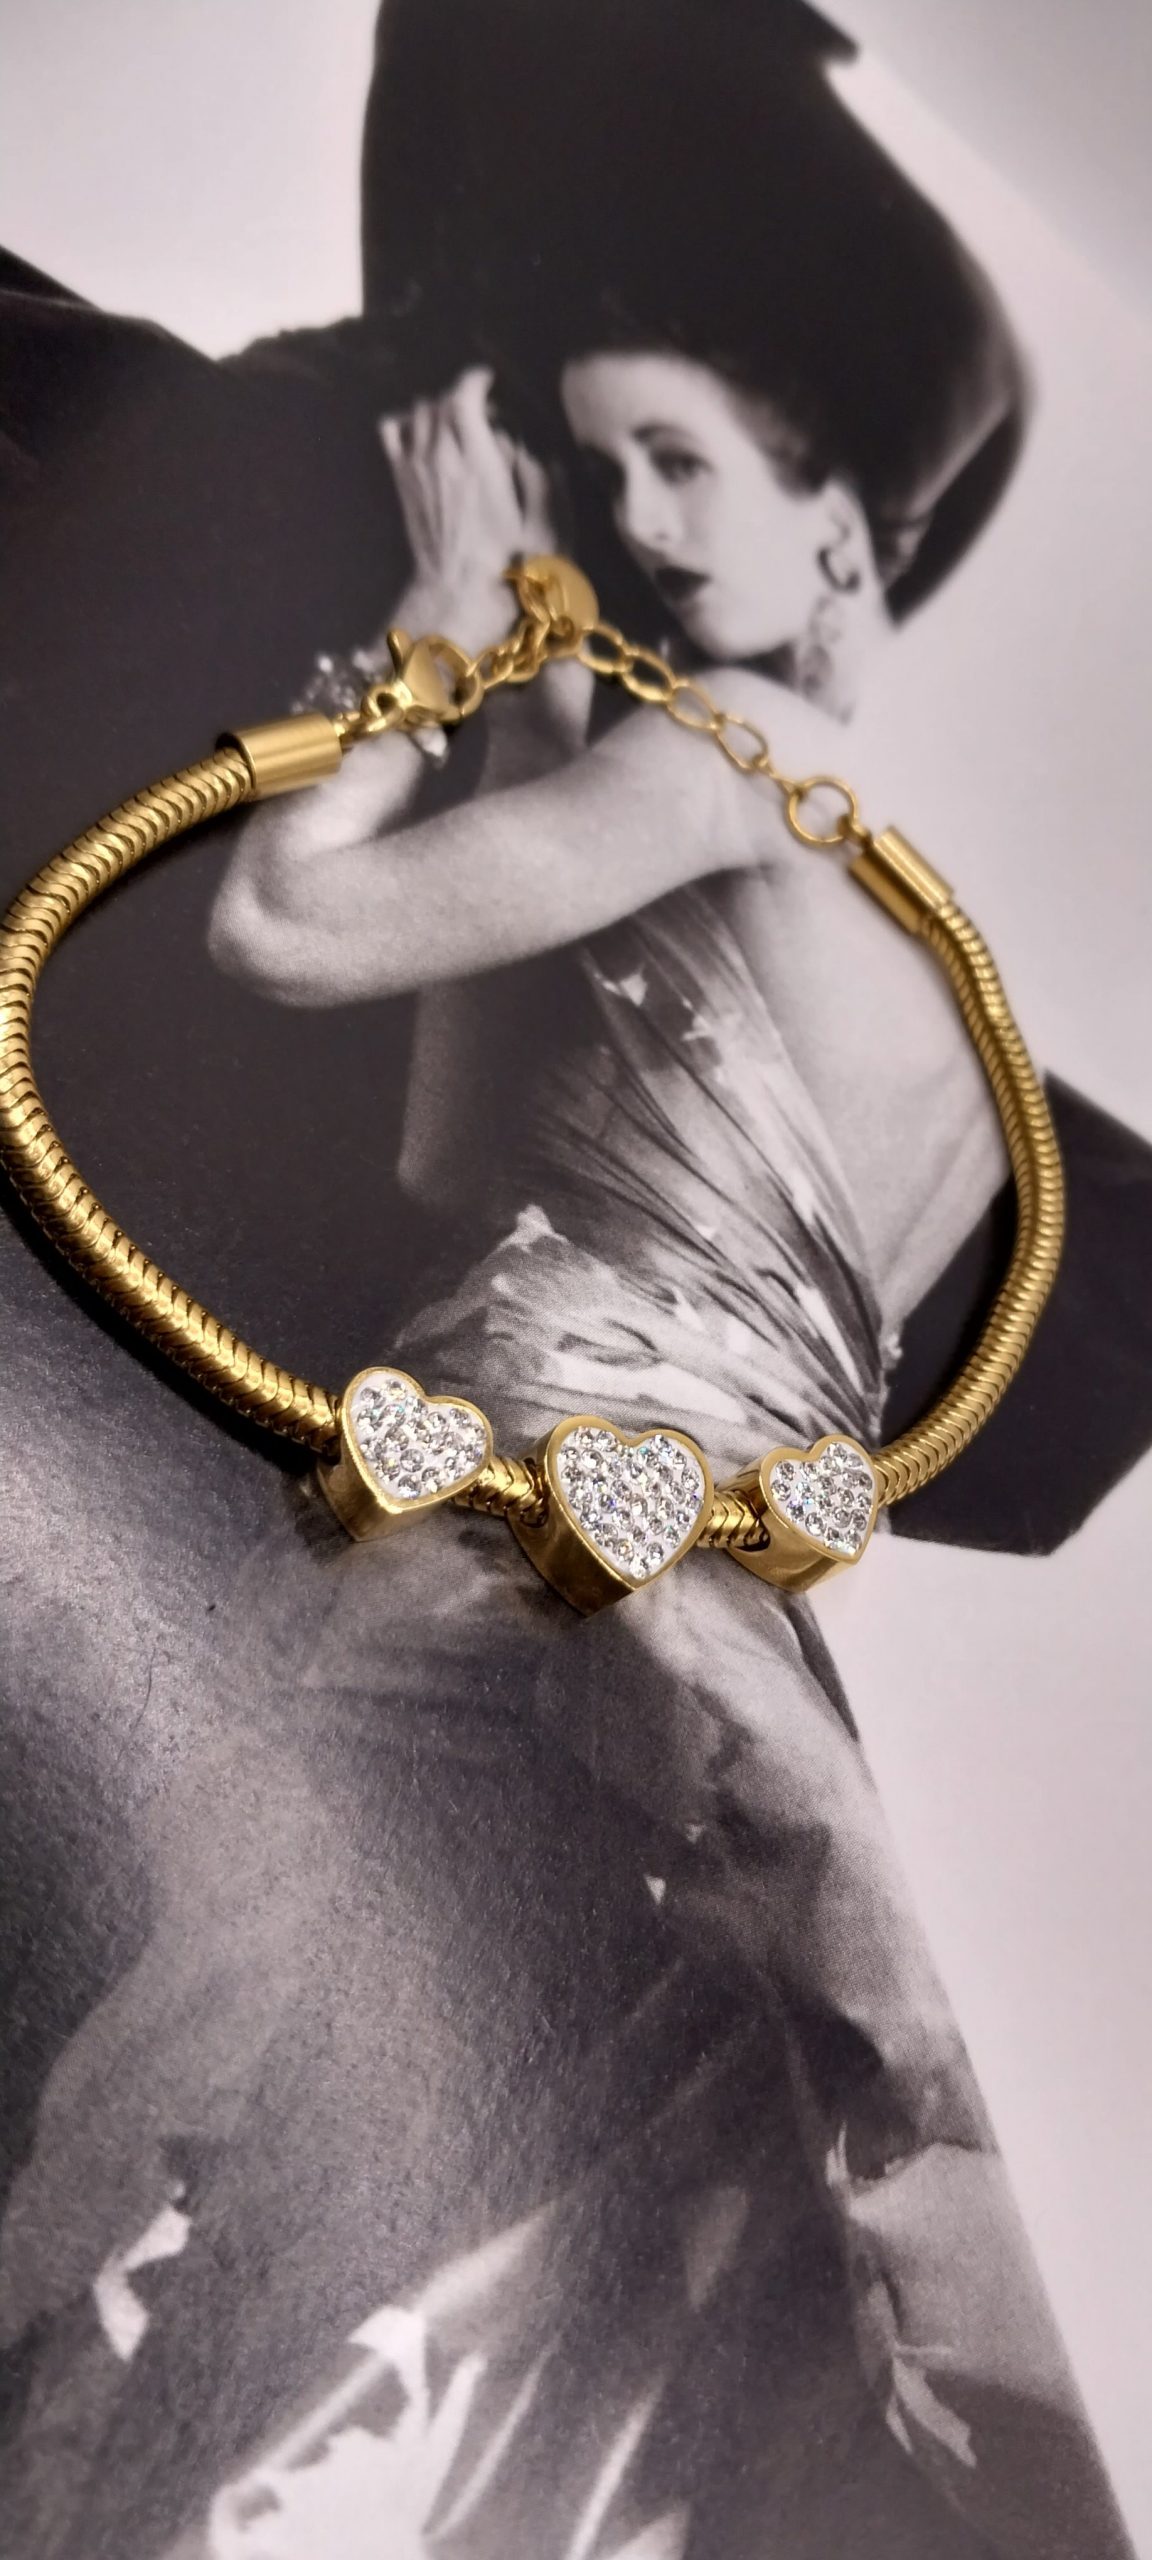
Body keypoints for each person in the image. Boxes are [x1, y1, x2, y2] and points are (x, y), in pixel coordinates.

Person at [0, 8, 1140, 2556]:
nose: (625, 519)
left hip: (520, 1501)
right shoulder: (881, 953)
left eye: (677, 460)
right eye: (601, 467)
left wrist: (428, 644)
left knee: (280, 2053)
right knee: (702, 2096)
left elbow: (293, 938)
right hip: (591, 1507)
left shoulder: (700, 755)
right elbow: (448, 1140)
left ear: (841, 528)